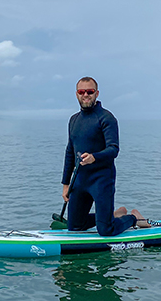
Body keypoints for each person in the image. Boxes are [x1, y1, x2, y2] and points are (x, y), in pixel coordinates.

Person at [61, 77, 150, 236]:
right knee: (74, 227)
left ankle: (133, 218)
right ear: (76, 94)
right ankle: (113, 215)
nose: (86, 95)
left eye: (90, 91)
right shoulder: (74, 120)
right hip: (80, 180)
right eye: (82, 92)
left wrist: (94, 157)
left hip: (101, 179)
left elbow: (113, 149)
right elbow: (70, 152)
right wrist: (65, 184)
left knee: (106, 230)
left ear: (96, 94)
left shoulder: (106, 118)